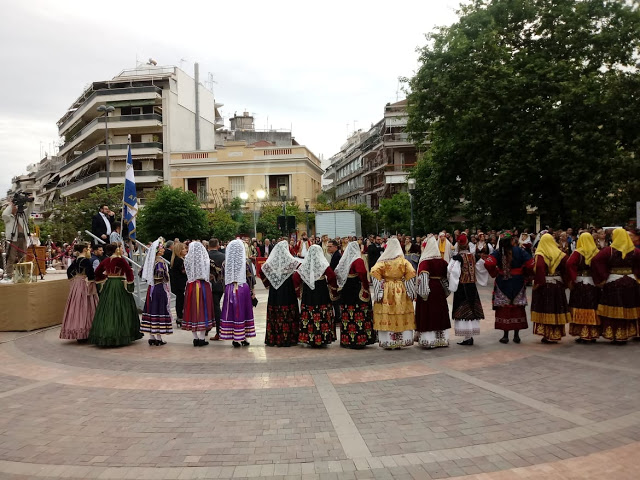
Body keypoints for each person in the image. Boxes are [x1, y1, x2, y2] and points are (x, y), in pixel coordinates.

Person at [591, 228, 640, 343]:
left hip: (614, 283)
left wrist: (604, 276)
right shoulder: (634, 251)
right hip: (630, 282)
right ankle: (628, 332)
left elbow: (595, 261)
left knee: (615, 309)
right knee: (629, 306)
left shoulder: (609, 250)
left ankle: (616, 334)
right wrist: (636, 274)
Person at [88, 243, 142, 347]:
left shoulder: (106, 260)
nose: (121, 249)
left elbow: (98, 272)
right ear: (116, 250)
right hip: (119, 284)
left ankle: (104, 333)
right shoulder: (121, 260)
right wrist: (129, 283)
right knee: (121, 308)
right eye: (120, 248)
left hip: (109, 284)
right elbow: (129, 272)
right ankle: (120, 334)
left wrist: (104, 278)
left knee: (107, 309)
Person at [485, 233, 533, 344]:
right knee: (517, 306)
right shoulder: (520, 251)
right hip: (518, 282)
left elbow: (488, 263)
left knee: (504, 307)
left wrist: (495, 272)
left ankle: (505, 336)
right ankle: (516, 336)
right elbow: (531, 264)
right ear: (511, 240)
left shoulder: (498, 252)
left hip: (503, 282)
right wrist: (526, 274)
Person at [370, 237, 416, 349]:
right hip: (401, 289)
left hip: (387, 289)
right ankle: (402, 339)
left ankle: (389, 341)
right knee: (400, 311)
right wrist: (411, 292)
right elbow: (411, 276)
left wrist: (378, 292)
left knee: (387, 312)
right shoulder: (404, 261)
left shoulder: (383, 261)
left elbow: (373, 272)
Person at [334, 241, 376, 348]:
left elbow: (337, 272)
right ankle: (358, 339)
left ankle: (346, 339)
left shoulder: (344, 260)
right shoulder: (357, 260)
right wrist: (365, 286)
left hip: (346, 289)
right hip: (356, 289)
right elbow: (362, 273)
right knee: (359, 312)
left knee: (347, 313)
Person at [259, 240, 301, 347]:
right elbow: (300, 268)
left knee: (275, 311)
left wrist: (268, 283)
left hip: (275, 290)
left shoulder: (271, 262)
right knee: (289, 311)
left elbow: (262, 271)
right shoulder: (291, 261)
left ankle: (274, 338)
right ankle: (289, 338)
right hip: (288, 290)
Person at [296, 244, 339, 347]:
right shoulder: (323, 264)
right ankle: (323, 337)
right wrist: (333, 288)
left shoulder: (305, 265)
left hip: (308, 292)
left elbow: (296, 278)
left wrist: (299, 291)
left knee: (309, 312)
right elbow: (332, 276)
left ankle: (309, 337)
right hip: (321, 292)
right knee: (322, 312)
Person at [531, 233, 571, 343]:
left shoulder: (540, 254)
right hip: (557, 284)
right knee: (556, 308)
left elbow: (539, 267)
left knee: (546, 308)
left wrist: (538, 283)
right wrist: (565, 282)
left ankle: (547, 334)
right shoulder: (560, 254)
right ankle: (555, 334)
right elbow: (567, 266)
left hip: (545, 285)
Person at [447, 234, 486, 346]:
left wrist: (452, 285)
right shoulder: (474, 257)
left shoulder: (458, 258)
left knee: (464, 311)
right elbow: (482, 267)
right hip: (472, 287)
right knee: (472, 310)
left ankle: (467, 337)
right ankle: (470, 336)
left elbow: (452, 271)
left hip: (462, 287)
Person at [415, 237, 451, 348]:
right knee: (439, 312)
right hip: (439, 289)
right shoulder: (443, 261)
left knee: (429, 313)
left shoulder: (425, 262)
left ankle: (429, 340)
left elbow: (424, 277)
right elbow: (447, 277)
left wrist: (423, 293)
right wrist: (446, 291)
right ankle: (441, 339)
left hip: (429, 289)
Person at [220, 239, 256, 348]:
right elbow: (250, 278)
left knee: (232, 313)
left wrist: (225, 290)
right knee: (243, 312)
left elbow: (222, 278)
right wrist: (252, 291)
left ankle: (235, 338)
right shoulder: (245, 262)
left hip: (230, 289)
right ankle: (243, 337)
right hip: (243, 289)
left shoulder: (225, 263)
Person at [60, 243, 98, 342]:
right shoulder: (86, 261)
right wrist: (90, 280)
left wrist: (74, 278)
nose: (89, 250)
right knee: (86, 306)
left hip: (77, 284)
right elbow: (90, 273)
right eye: (88, 248)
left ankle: (78, 332)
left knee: (76, 306)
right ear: (85, 249)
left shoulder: (76, 260)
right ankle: (86, 332)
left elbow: (69, 271)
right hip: (84, 284)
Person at [567, 233, 601, 343]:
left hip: (581, 282)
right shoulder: (596, 252)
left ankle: (583, 334)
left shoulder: (578, 252)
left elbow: (569, 264)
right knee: (592, 307)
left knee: (581, 307)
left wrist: (572, 278)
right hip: (593, 284)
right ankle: (593, 333)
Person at [140, 239, 173, 346]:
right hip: (159, 288)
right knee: (159, 310)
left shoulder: (150, 261)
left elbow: (142, 273)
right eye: (162, 247)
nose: (163, 249)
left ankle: (152, 336)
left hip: (151, 288)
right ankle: (158, 338)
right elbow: (162, 275)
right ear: (158, 250)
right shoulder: (160, 261)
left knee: (151, 310)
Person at [182, 241, 214, 347]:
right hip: (202, 286)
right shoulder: (204, 259)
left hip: (191, 286)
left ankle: (195, 338)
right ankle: (201, 338)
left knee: (192, 310)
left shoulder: (187, 259)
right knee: (202, 310)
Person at [2, 197, 34, 278]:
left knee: (22, 257)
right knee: (11, 258)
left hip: (22, 238)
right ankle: (8, 275)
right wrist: (11, 204)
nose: (15, 207)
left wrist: (31, 201)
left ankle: (22, 275)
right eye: (14, 206)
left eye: (15, 206)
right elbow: (4, 214)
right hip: (12, 239)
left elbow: (30, 209)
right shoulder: (8, 218)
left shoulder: (22, 216)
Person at [207, 238, 225, 340]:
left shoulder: (205, 256)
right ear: (218, 246)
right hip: (219, 285)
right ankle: (215, 329)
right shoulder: (223, 256)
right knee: (216, 306)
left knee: (211, 307)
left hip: (207, 285)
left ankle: (218, 331)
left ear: (208, 246)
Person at [169, 242, 187, 326]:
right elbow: (184, 271)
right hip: (180, 284)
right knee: (180, 300)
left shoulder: (177, 259)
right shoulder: (179, 260)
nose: (185, 250)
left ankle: (180, 316)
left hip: (178, 284)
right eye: (183, 249)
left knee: (180, 300)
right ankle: (180, 317)